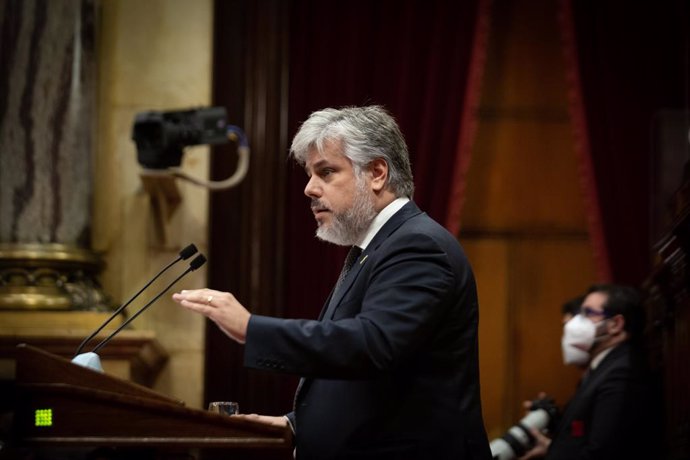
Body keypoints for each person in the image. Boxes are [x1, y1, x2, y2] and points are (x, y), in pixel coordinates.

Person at [173, 106, 492, 459]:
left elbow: (371, 345)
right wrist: (296, 425)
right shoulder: (376, 247)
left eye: (326, 172)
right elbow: (378, 382)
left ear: (376, 172)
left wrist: (252, 328)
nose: (309, 188)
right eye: (310, 174)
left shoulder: (417, 246)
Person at [520, 283, 661, 460]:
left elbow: (601, 454)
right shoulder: (603, 367)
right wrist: (551, 447)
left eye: (588, 313)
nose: (575, 323)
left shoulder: (622, 373)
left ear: (615, 325)